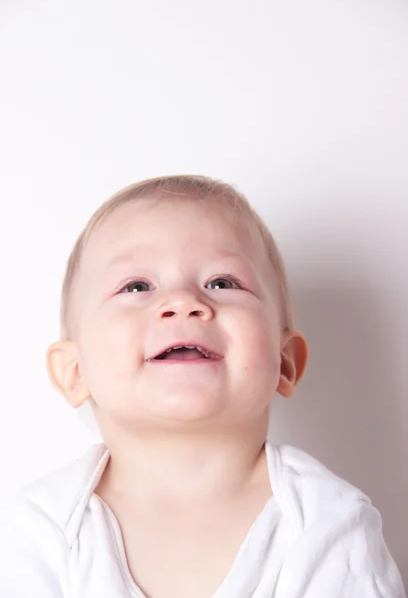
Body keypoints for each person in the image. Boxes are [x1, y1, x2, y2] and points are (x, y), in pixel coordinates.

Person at [0, 175, 405, 598]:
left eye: (222, 283)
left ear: (284, 362)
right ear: (75, 371)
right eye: (136, 286)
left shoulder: (329, 524)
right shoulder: (40, 530)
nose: (183, 302)